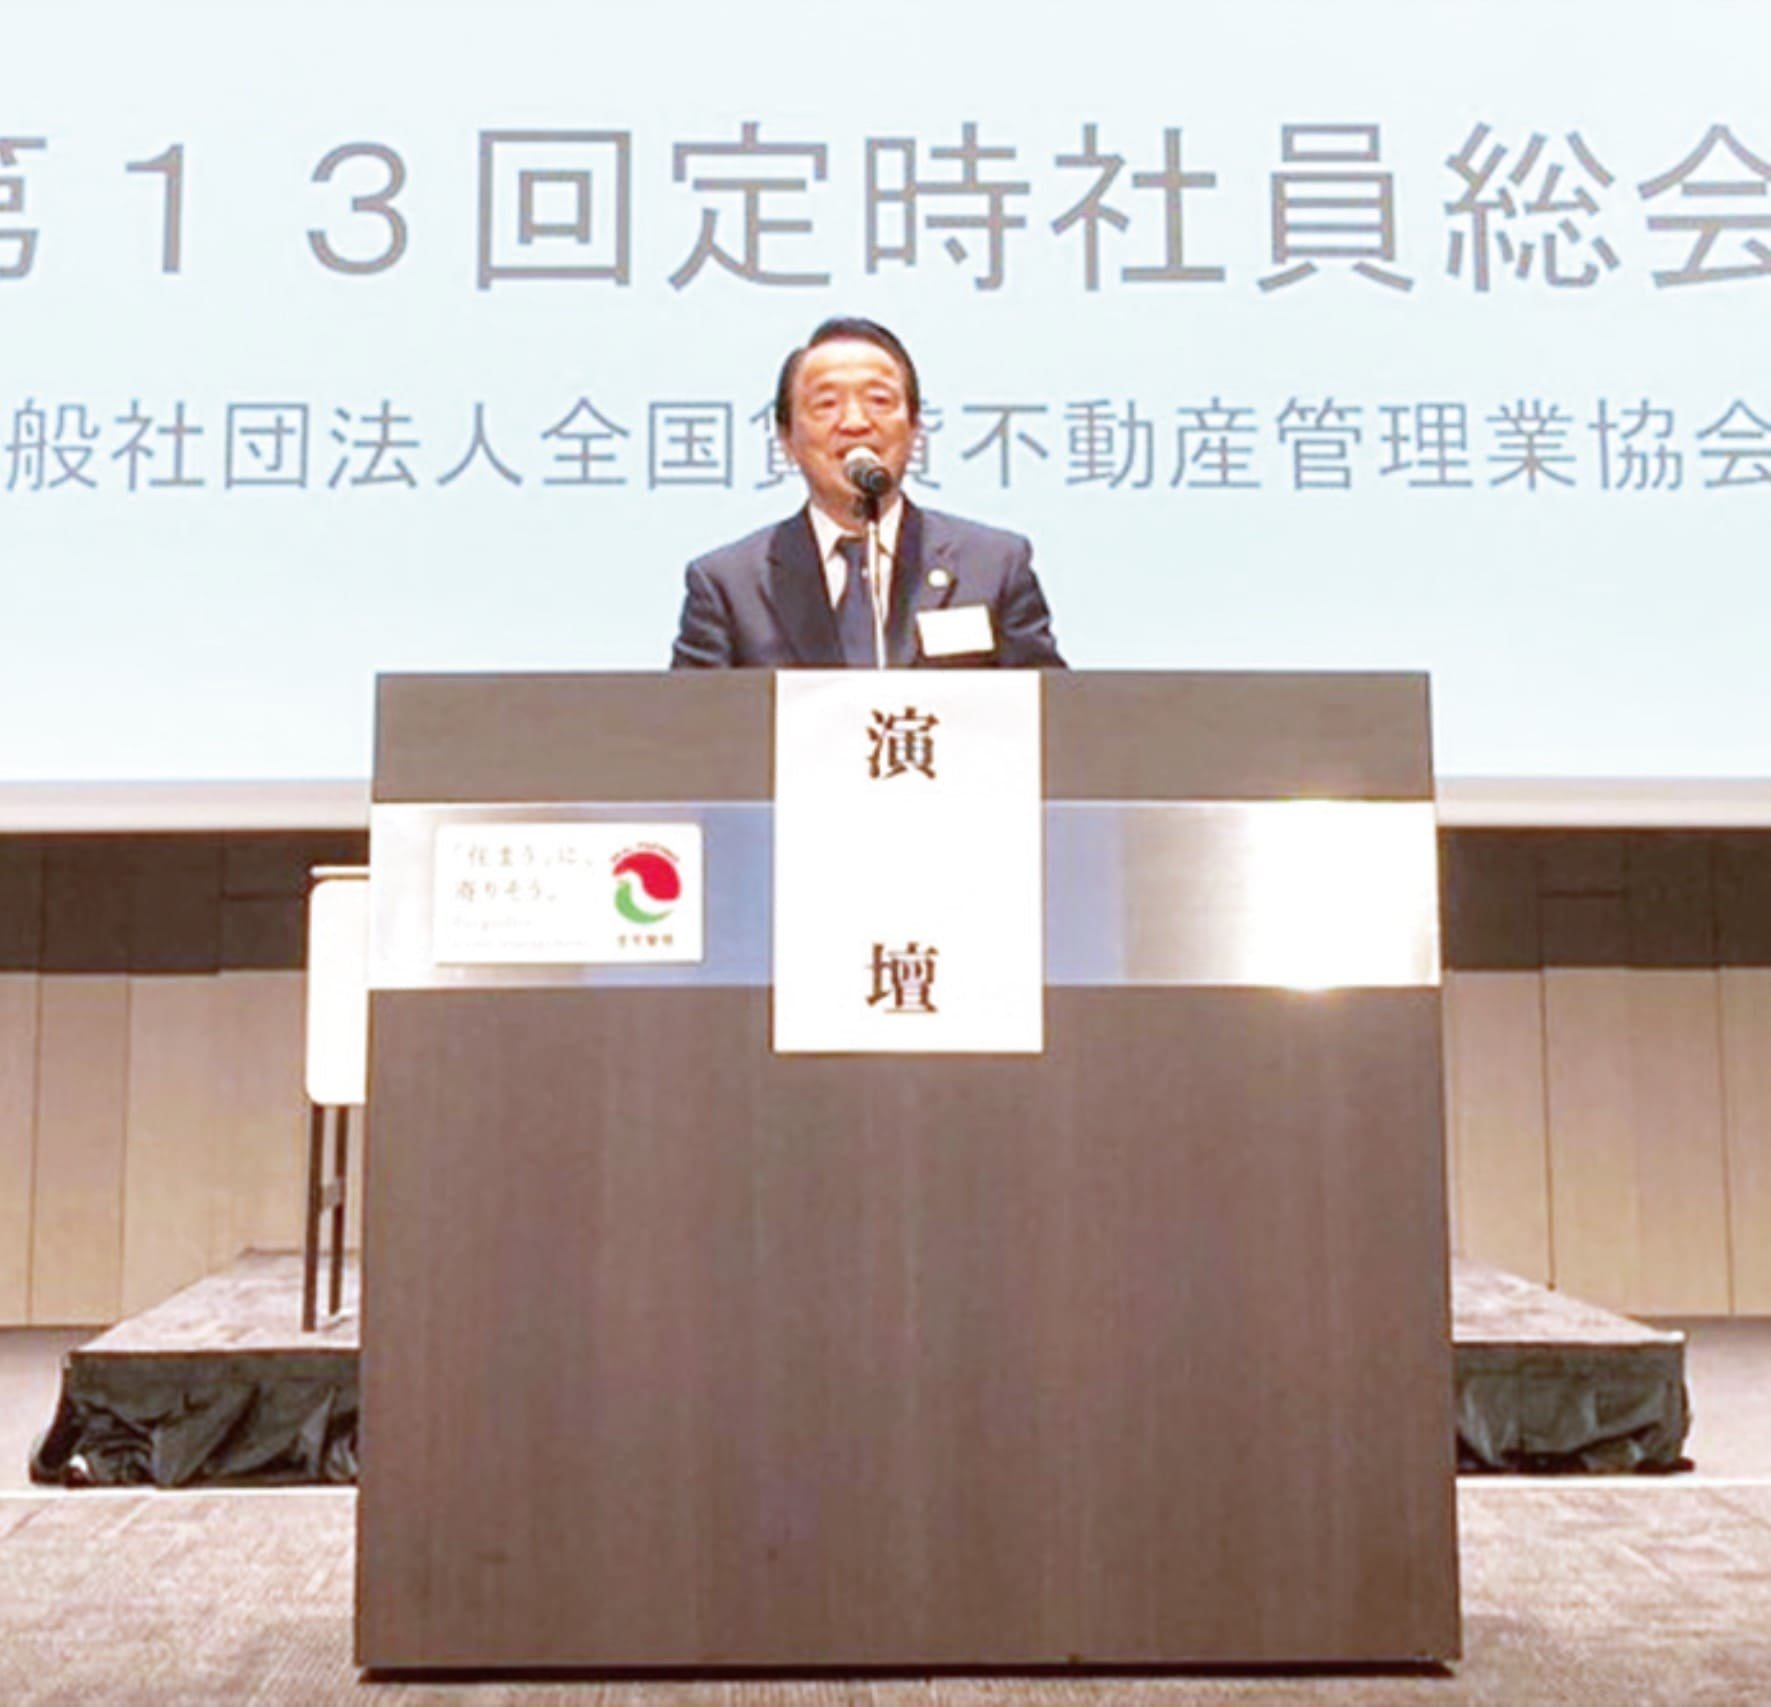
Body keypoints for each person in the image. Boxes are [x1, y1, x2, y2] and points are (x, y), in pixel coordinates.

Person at [670, 317, 1064, 669]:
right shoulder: (728, 585)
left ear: (915, 429)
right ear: (787, 439)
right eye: (826, 404)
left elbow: (1052, 713)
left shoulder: (994, 566)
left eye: (879, 401)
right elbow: (690, 723)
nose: (856, 422)